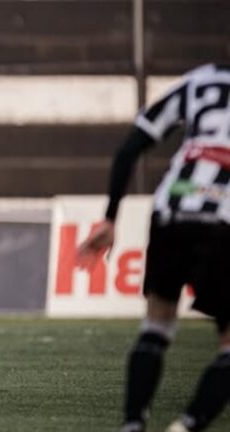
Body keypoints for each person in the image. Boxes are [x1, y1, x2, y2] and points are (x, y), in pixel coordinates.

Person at [77, 63, 230, 432]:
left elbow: (130, 148)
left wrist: (111, 217)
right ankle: (187, 426)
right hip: (223, 213)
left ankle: (132, 424)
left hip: (172, 205)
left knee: (157, 325)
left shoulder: (201, 79)